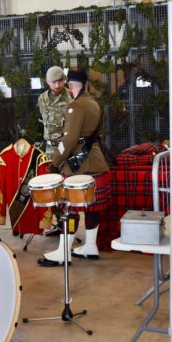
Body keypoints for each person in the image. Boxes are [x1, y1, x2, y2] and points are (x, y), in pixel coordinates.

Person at [38, 69, 112, 267]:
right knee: (91, 207)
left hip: (78, 166)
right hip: (96, 161)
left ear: (71, 86)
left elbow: (69, 140)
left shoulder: (75, 107)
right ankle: (90, 246)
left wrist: (54, 163)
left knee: (68, 207)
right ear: (86, 84)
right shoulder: (93, 103)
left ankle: (63, 252)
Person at [37, 66, 71, 157]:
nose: (57, 85)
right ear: (47, 81)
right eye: (54, 82)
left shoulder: (71, 97)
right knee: (50, 170)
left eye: (60, 81)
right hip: (50, 147)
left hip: (68, 146)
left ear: (64, 80)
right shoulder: (42, 99)